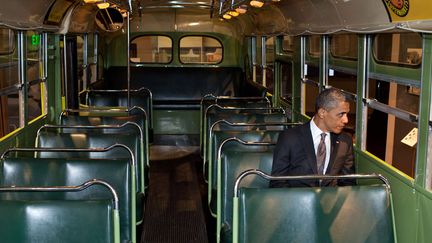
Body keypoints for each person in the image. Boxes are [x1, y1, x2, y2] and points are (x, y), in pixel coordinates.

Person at [270, 88, 355, 187]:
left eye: (347, 114)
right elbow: (277, 181)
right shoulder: (290, 137)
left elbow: (348, 182)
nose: (346, 120)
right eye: (341, 114)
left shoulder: (345, 141)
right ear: (322, 112)